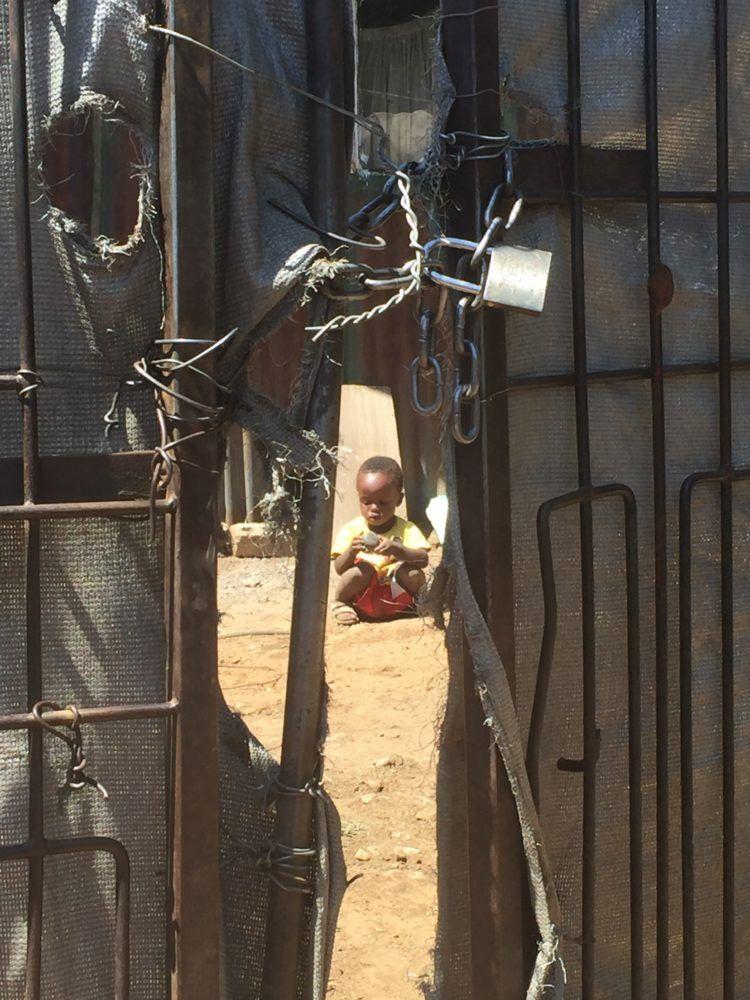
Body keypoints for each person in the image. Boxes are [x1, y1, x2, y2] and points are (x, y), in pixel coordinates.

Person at [331, 455, 430, 625]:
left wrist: (397, 549)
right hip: (363, 597)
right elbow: (340, 569)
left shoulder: (407, 529)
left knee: (411, 573)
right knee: (362, 570)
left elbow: (423, 559)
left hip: (397, 595)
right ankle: (341, 603)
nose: (374, 509)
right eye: (366, 502)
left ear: (398, 499)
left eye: (383, 502)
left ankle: (421, 603)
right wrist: (351, 551)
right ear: (359, 497)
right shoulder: (351, 530)